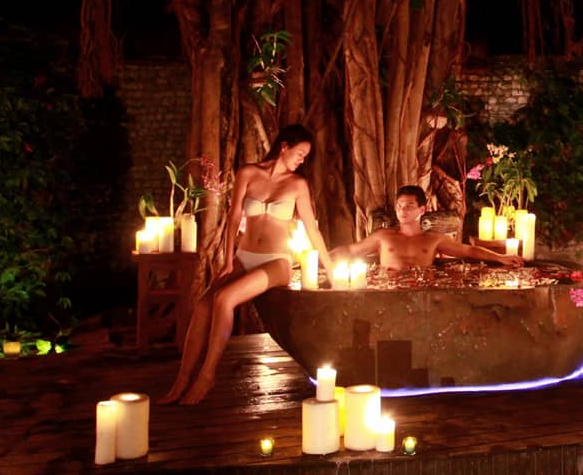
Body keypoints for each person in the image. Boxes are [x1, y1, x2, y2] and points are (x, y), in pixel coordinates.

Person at [158, 124, 331, 405]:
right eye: (299, 153)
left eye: (305, 157)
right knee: (203, 306)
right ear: (284, 146)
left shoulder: (298, 185)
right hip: (244, 256)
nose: (302, 160)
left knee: (224, 299)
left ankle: (207, 376)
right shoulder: (248, 174)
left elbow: (313, 230)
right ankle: (182, 379)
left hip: (276, 262)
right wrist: (228, 260)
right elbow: (233, 214)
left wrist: (331, 269)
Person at [331, 185, 525, 270]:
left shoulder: (433, 239)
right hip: (388, 287)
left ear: (422, 209)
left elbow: (468, 250)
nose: (402, 211)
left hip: (422, 290)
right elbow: (351, 250)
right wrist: (320, 258)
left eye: (409, 206)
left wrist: (500, 258)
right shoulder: (383, 237)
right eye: (399, 206)